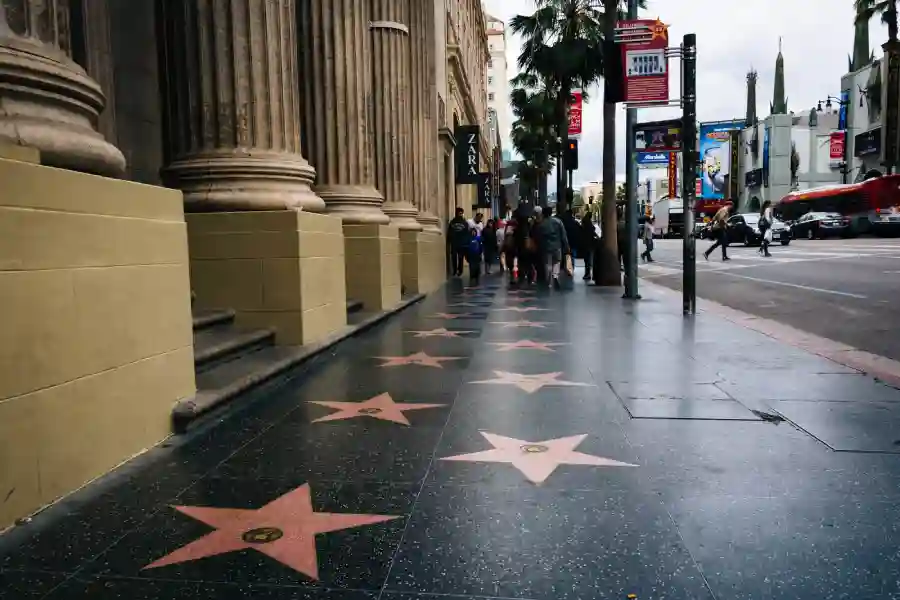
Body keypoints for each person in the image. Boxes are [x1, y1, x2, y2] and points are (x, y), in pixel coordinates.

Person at [537, 205, 570, 289]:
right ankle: (555, 276)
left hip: (546, 247)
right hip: (557, 246)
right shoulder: (558, 222)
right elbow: (563, 235)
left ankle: (548, 281)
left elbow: (538, 237)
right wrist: (566, 246)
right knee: (557, 262)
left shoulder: (541, 224)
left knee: (547, 264)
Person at [447, 207, 470, 276]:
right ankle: (454, 270)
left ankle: (460, 270)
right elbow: (449, 232)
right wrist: (449, 240)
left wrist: (466, 242)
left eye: (461, 213)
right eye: (459, 213)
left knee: (460, 257)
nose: (460, 214)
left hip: (462, 243)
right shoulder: (452, 222)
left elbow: (467, 233)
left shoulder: (465, 222)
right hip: (454, 242)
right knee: (454, 257)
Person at [580, 212, 599, 280]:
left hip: (586, 244)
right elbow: (593, 233)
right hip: (591, 244)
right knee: (590, 260)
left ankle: (587, 274)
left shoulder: (584, 225)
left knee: (587, 260)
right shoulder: (589, 225)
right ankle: (591, 274)